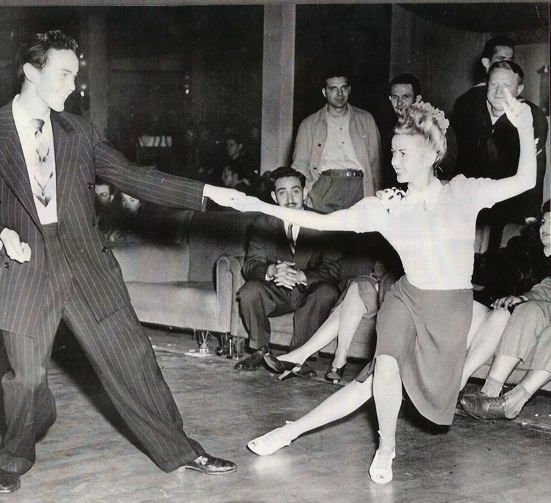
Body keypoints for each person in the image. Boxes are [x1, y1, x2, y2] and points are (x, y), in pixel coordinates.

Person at [0, 30, 242, 494]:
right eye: (63, 75)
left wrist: (209, 194)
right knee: (26, 378)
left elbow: (132, 177)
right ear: (31, 72)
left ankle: (180, 448)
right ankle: (14, 457)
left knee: (133, 357)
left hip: (84, 259)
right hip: (20, 264)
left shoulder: (79, 132)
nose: (72, 86)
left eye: (75, 77)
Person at [229, 96, 536, 484]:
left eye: (404, 153)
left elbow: (525, 180)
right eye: (393, 152)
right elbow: (325, 223)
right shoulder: (387, 207)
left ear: (432, 153)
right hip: (405, 300)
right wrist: (260, 207)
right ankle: (384, 447)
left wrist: (524, 126)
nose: (394, 162)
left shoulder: (463, 193)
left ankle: (293, 429)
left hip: (448, 311)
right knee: (386, 365)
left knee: (367, 388)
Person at [234, 167, 341, 373]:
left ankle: (298, 358)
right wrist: (273, 270)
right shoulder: (261, 223)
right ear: (274, 196)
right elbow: (251, 265)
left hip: (310, 292)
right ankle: (260, 351)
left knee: (327, 291)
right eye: (282, 193)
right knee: (249, 291)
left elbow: (334, 269)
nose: (290, 199)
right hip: (278, 291)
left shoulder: (324, 222)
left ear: (305, 191)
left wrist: (302, 275)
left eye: (295, 191)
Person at [459, 201, 551, 420]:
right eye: (545, 222)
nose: (545, 228)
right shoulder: (525, 249)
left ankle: (512, 401)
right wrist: (523, 297)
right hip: (539, 304)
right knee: (527, 309)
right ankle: (489, 393)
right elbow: (544, 288)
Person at [458, 61, 547, 252]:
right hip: (473, 205)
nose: (498, 92)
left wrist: (531, 216)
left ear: (519, 89)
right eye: (493, 84)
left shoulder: (531, 117)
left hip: (512, 206)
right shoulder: (470, 112)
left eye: (506, 86)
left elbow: (535, 169)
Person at [265, 259, 396, 384]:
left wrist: (385, 281)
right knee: (358, 285)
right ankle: (337, 359)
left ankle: (302, 355)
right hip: (375, 280)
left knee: (352, 297)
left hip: (398, 285)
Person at [291, 70, 381, 213]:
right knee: (325, 234)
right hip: (324, 187)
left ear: (349, 90)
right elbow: (300, 165)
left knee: (358, 234)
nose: (339, 94)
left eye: (343, 88)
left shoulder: (366, 119)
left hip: (359, 187)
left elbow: (376, 163)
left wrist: (377, 196)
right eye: (333, 89)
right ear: (324, 92)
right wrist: (308, 191)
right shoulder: (308, 124)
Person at [383, 74, 457, 184]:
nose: (399, 103)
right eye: (395, 97)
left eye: (405, 97)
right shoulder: (389, 128)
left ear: (417, 98)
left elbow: (447, 164)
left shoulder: (434, 125)